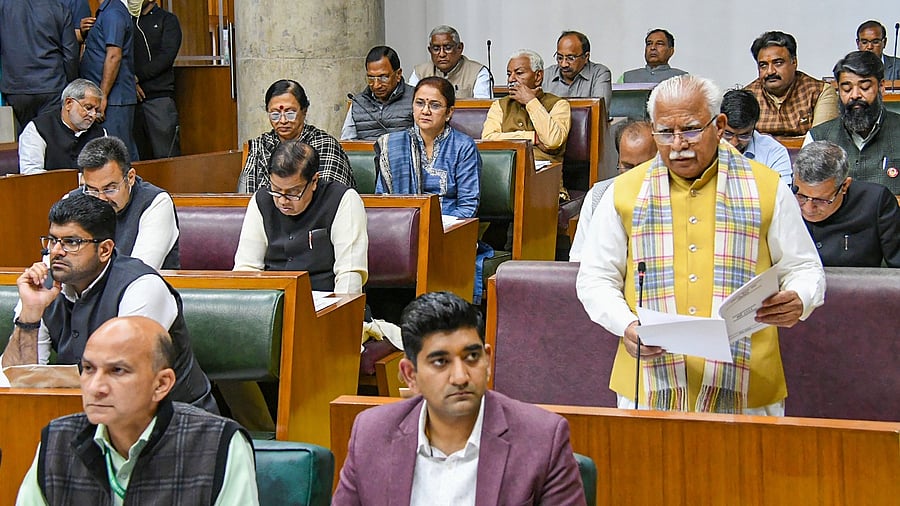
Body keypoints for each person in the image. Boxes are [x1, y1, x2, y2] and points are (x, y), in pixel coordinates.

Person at [576, 75, 826, 414]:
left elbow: (804, 268)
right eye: (665, 132)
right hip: (648, 384)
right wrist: (626, 325)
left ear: (719, 125)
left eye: (691, 129)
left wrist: (800, 298)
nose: (678, 144)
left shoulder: (766, 187)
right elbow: (595, 278)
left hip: (748, 385)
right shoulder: (623, 193)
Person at [333, 291, 587, 505]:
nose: (460, 376)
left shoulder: (542, 439)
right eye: (441, 362)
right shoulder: (371, 434)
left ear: (487, 360)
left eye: (472, 357)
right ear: (410, 374)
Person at [0, 194, 215, 411]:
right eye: (53, 240)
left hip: (177, 423)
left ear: (104, 250)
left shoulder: (141, 286)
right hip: (90, 418)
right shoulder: (45, 285)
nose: (56, 251)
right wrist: (30, 314)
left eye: (72, 242)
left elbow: (124, 380)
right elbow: (16, 384)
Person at [15, 316, 259, 505]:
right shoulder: (58, 439)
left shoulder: (217, 442)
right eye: (89, 369)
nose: (96, 387)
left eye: (118, 371)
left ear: (161, 384)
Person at [234, 139, 368, 293]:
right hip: (273, 304)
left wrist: (339, 314)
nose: (283, 200)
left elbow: (350, 274)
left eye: (293, 192)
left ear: (314, 181)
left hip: (328, 304)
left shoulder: (343, 199)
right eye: (276, 189)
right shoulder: (261, 200)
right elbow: (247, 268)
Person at [375, 77, 481, 219]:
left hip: (449, 231)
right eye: (419, 103)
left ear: (449, 112)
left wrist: (435, 230)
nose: (425, 111)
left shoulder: (463, 147)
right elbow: (382, 200)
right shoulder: (393, 145)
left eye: (435, 105)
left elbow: (468, 206)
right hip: (401, 230)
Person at [74, 136, 180, 270]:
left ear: (130, 178)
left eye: (110, 189)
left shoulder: (155, 203)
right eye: (93, 190)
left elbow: (138, 272)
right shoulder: (73, 201)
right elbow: (55, 264)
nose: (101, 199)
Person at [805, 51, 900, 194]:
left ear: (881, 87)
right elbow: (805, 194)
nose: (855, 95)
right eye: (846, 88)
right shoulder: (818, 138)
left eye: (865, 87)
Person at [793, 141, 899, 267]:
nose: (808, 208)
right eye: (802, 197)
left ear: (844, 186)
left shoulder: (876, 201)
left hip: (860, 284)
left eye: (821, 200)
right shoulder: (781, 199)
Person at [482, 49, 571, 200]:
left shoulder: (559, 105)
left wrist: (531, 101)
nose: (512, 79)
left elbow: (552, 140)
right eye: (509, 74)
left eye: (519, 73)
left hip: (543, 185)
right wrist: (532, 138)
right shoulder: (500, 105)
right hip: (503, 182)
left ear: (538, 76)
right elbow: (488, 139)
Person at [239, 79, 355, 193]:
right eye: (275, 114)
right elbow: (246, 196)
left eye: (290, 113)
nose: (283, 120)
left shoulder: (325, 144)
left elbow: (329, 197)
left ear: (304, 111)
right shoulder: (260, 146)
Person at [569, 120, 656, 262]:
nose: (634, 175)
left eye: (642, 167)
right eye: (627, 167)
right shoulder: (598, 196)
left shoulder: (671, 193)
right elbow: (578, 260)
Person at [0, 0, 79, 133]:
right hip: (52, 85)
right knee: (51, 138)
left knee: (25, 140)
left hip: (17, 87)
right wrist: (71, 85)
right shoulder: (59, 8)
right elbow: (71, 55)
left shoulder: (4, 6)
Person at [744, 31, 838, 137]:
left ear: (794, 62)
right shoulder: (747, 97)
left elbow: (821, 142)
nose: (770, 71)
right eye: (763, 65)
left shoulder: (820, 92)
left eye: (778, 63)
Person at [80, 0, 140, 161]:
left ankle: (131, 186)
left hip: (113, 99)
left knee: (117, 156)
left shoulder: (113, 12)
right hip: (108, 96)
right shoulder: (106, 11)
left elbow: (114, 55)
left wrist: (102, 96)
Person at [18, 79, 107, 174]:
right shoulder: (38, 129)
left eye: (96, 110)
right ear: (68, 103)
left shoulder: (100, 133)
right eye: (88, 108)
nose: (93, 115)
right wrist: (77, 180)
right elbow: (30, 173)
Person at [133, 0, 182, 160]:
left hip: (159, 98)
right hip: (130, 98)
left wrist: (137, 77)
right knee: (136, 159)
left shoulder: (168, 20)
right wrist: (130, 82)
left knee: (166, 157)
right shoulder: (126, 20)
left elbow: (166, 57)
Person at [720, 89, 792, 186]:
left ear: (754, 127)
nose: (734, 143)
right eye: (728, 133)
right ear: (719, 124)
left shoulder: (773, 152)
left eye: (744, 136)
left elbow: (782, 194)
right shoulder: (706, 146)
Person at [341, 46, 415, 141]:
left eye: (383, 77)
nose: (376, 85)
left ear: (398, 74)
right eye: (371, 78)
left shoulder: (415, 98)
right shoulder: (358, 103)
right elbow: (347, 144)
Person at [408, 25, 491, 99]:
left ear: (459, 48)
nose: (442, 54)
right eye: (436, 49)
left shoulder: (478, 72)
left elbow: (482, 108)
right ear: (430, 50)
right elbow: (409, 104)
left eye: (447, 48)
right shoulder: (420, 72)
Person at [543, 30, 612, 107]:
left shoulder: (599, 74)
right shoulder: (546, 76)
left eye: (570, 58)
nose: (564, 64)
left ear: (586, 57)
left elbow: (600, 111)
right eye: (560, 58)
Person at [620, 29, 687, 83]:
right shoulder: (627, 77)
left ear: (671, 51)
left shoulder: (683, 78)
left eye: (659, 44)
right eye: (649, 44)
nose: (652, 47)